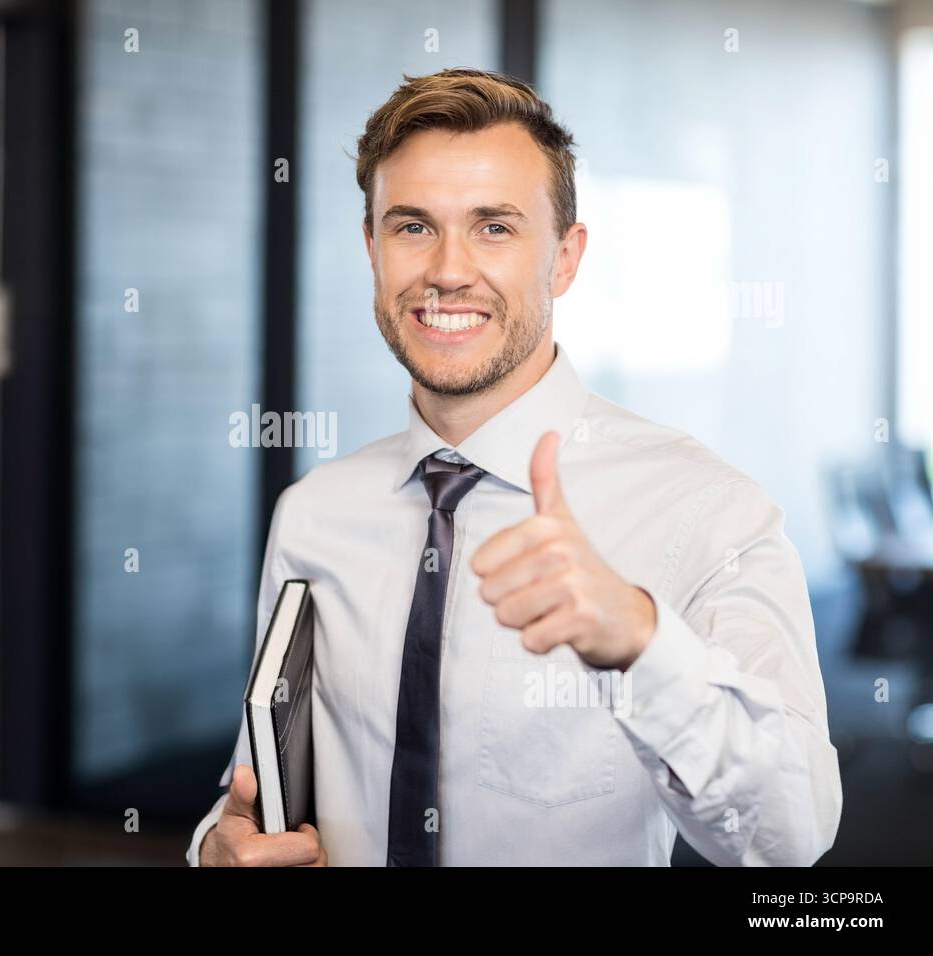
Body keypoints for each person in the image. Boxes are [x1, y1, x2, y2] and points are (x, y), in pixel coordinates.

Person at [189, 67, 842, 866]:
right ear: (372, 248)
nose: (448, 270)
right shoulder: (315, 513)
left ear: (565, 258)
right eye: (412, 227)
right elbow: (255, 788)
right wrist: (217, 851)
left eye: (494, 227)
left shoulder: (708, 510)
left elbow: (791, 833)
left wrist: (638, 638)